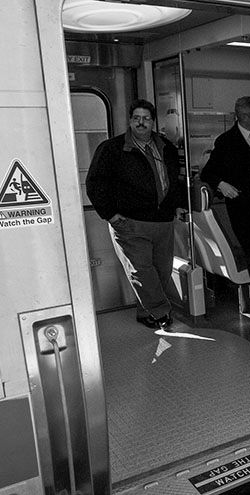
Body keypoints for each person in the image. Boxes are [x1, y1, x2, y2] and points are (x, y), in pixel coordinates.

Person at [86, 99, 186, 330]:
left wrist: (177, 205)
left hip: (162, 222)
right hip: (130, 223)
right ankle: (161, 313)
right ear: (130, 121)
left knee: (161, 271)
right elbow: (95, 184)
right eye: (136, 118)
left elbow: (174, 181)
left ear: (153, 122)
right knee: (142, 271)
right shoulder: (112, 149)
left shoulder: (167, 148)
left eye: (146, 118)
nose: (141, 123)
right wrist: (110, 215)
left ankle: (145, 312)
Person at [199, 96, 250, 292]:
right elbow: (208, 172)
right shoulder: (226, 141)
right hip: (242, 207)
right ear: (244, 117)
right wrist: (222, 185)